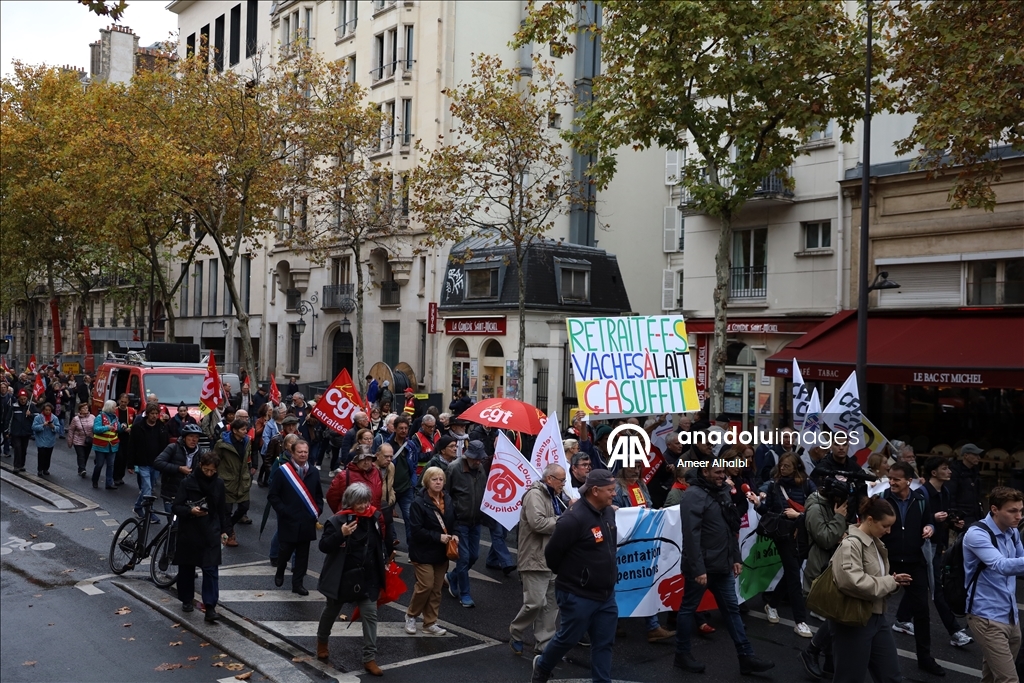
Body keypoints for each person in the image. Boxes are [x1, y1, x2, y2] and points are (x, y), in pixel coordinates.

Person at [675, 463, 774, 676]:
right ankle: (681, 655)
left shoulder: (723, 491)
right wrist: (699, 569)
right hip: (702, 568)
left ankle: (746, 656)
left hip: (722, 565)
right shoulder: (693, 495)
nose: (723, 476)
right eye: (718, 472)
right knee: (688, 609)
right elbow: (691, 536)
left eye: (724, 472)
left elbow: (731, 527)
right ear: (705, 472)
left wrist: (735, 557)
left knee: (732, 610)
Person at [531, 470, 618, 683]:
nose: (614, 494)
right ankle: (542, 666)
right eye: (610, 490)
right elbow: (552, 555)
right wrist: (577, 578)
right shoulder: (573, 519)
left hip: (606, 595)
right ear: (595, 491)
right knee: (567, 638)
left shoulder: (608, 513)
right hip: (578, 594)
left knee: (604, 643)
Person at [316, 481, 394, 677]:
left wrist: (384, 559)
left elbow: (378, 543)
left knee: (370, 615)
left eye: (366, 501)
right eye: (359, 502)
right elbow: (324, 546)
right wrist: (341, 535)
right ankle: (322, 641)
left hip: (367, 577)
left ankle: (369, 658)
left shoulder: (373, 516)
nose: (363, 506)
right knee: (331, 611)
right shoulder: (336, 521)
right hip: (342, 577)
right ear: (350, 502)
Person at [830, 497, 909, 683]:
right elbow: (852, 582)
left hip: (876, 617)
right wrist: (890, 582)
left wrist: (893, 581)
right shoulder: (851, 544)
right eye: (885, 526)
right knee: (850, 678)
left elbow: (875, 578)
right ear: (870, 519)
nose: (888, 531)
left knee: (891, 676)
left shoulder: (875, 542)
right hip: (853, 620)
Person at [878, 461, 944, 675]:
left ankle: (924, 658)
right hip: (888, 562)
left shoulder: (920, 499)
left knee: (922, 612)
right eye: (890, 477)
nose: (892, 482)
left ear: (909, 481)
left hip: (915, 562)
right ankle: (851, 651)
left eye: (897, 478)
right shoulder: (882, 499)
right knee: (870, 606)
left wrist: (929, 527)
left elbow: (929, 522)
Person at [964, 486, 1024, 683]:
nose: (1019, 516)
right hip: (986, 616)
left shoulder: (1012, 531)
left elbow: (1021, 562)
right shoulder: (977, 534)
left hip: (1010, 615)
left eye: (1021, 511)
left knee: (992, 677)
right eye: (1012, 511)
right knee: (1009, 679)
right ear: (995, 509)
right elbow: (1001, 565)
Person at [511, 464, 571, 657]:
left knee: (551, 605)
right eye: (561, 480)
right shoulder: (534, 495)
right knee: (535, 603)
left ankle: (545, 644)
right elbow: (538, 524)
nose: (564, 483)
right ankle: (517, 632)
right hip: (535, 557)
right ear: (549, 479)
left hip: (554, 558)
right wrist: (564, 519)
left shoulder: (557, 497)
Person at [799, 472, 852, 678]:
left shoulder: (832, 506)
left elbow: (840, 532)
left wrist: (843, 529)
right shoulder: (815, 508)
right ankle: (812, 652)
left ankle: (830, 661)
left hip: (834, 564)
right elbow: (826, 538)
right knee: (834, 615)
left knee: (834, 614)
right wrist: (839, 518)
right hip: (820, 567)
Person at [756, 452, 815, 638]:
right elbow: (769, 510)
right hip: (783, 534)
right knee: (793, 574)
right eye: (781, 465)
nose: (782, 469)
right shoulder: (775, 485)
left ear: (797, 467)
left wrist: (800, 516)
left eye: (787, 466)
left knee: (792, 571)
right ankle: (800, 621)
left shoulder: (807, 484)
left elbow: (816, 510)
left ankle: (771, 605)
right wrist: (758, 504)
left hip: (801, 534)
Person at [918, 456, 973, 648]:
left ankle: (900, 618)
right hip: (924, 545)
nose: (949, 471)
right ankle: (955, 631)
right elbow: (915, 520)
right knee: (937, 588)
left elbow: (945, 518)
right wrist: (932, 518)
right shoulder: (922, 493)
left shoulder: (945, 492)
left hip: (938, 544)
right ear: (934, 473)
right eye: (945, 468)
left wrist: (953, 522)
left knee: (919, 584)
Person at [173, 450, 229, 623]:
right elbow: (176, 506)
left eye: (212, 471)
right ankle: (186, 598)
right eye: (206, 470)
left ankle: (210, 606)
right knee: (187, 567)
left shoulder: (218, 484)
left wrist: (226, 530)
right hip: (190, 530)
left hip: (210, 530)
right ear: (200, 466)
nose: (209, 474)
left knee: (211, 569)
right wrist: (190, 511)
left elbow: (222, 509)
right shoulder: (188, 482)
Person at [405, 465, 456, 638]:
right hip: (423, 551)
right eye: (434, 479)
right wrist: (438, 537)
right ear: (427, 482)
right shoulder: (418, 503)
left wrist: (455, 534)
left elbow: (453, 521)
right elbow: (416, 531)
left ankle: (430, 622)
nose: (438, 482)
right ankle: (411, 615)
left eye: (441, 479)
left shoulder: (447, 499)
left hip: (441, 553)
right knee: (425, 586)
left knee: (436, 590)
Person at [269, 439, 324, 595]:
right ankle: (280, 570)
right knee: (285, 550)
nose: (303, 455)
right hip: (289, 520)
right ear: (292, 453)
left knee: (302, 555)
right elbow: (273, 495)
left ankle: (297, 584)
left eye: (305, 452)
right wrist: (283, 511)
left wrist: (318, 510)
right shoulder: (283, 471)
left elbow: (319, 495)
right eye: (299, 452)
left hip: (307, 520)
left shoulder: (313, 472)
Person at [445, 439, 488, 608]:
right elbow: (446, 495)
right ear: (468, 456)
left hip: (475, 521)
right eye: (475, 458)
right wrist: (450, 520)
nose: (478, 461)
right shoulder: (454, 468)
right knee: (463, 559)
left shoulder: (480, 469)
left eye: (480, 459)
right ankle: (465, 594)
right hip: (459, 521)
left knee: (474, 556)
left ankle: (452, 577)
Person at [214, 418, 253, 548]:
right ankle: (229, 536)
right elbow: (215, 460)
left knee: (244, 507)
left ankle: (228, 525)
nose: (245, 431)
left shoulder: (247, 442)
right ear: (235, 431)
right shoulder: (221, 444)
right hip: (227, 482)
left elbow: (248, 458)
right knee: (226, 510)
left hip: (242, 481)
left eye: (245, 429)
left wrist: (250, 469)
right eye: (242, 429)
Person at [128, 403, 169, 523]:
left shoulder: (161, 427)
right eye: (152, 413)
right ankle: (149, 513)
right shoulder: (138, 427)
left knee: (149, 487)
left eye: (156, 414)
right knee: (147, 489)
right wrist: (130, 464)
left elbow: (165, 445)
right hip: (143, 462)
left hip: (156, 463)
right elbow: (132, 446)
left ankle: (138, 507)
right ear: (147, 413)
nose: (154, 416)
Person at [154, 423, 204, 510]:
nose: (194, 440)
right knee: (173, 521)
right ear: (184, 438)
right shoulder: (173, 448)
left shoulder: (199, 452)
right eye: (191, 436)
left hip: (189, 494)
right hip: (171, 493)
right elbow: (158, 463)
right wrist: (179, 468)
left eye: (196, 437)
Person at [386, 414, 418, 547]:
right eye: (401, 428)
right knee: (387, 519)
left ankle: (412, 548)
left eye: (406, 428)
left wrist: (412, 483)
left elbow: (414, 464)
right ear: (394, 429)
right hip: (390, 489)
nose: (404, 431)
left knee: (410, 520)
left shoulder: (411, 445)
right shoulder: (387, 445)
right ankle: (391, 540)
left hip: (406, 489)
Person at [327, 446, 383, 513]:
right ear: (356, 460)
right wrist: (341, 513)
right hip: (351, 518)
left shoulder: (376, 472)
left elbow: (378, 499)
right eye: (362, 459)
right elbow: (332, 498)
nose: (366, 462)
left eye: (368, 459)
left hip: (371, 517)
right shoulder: (344, 476)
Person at [949, 443, 985, 526]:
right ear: (966, 455)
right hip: (962, 513)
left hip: (975, 512)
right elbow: (952, 493)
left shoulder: (975, 471)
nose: (978, 458)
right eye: (975, 455)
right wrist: (954, 513)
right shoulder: (955, 472)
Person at [92, 399, 121, 489]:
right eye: (114, 407)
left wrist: (122, 427)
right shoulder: (100, 417)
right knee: (99, 464)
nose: (115, 408)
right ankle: (95, 480)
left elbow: (118, 429)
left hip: (112, 446)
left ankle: (109, 483)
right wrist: (106, 427)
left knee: (110, 465)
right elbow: (95, 429)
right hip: (101, 445)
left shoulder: (115, 418)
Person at [31, 402, 63, 476]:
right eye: (46, 410)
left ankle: (46, 469)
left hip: (50, 441)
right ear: (43, 410)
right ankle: (40, 469)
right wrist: (42, 425)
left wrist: (53, 427)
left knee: (48, 456)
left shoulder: (54, 418)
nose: (47, 411)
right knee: (41, 455)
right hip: (41, 440)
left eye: (49, 410)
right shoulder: (38, 417)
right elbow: (34, 427)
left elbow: (58, 428)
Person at [8, 389, 35, 473]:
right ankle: (16, 466)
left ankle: (21, 465)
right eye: (21, 399)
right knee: (17, 448)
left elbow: (37, 417)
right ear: (18, 398)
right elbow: (9, 419)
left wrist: (30, 414)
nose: (23, 401)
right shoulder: (14, 407)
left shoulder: (31, 406)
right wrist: (7, 431)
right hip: (16, 432)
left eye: (24, 399)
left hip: (26, 432)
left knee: (24, 449)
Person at [67, 401, 94, 477]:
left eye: (87, 408)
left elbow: (95, 428)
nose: (86, 409)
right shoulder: (75, 419)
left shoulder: (92, 417)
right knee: (81, 455)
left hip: (89, 440)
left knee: (86, 456)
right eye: (84, 408)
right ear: (80, 410)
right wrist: (70, 441)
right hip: (78, 440)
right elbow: (71, 430)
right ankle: (82, 469)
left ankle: (81, 468)